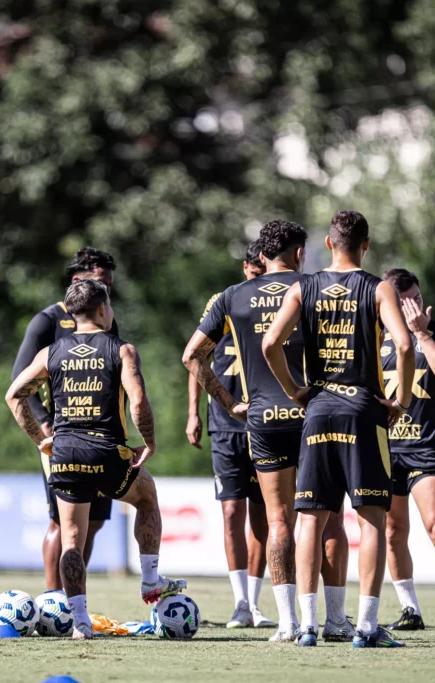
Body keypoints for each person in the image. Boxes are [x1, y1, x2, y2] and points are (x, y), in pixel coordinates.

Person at [263, 210, 414, 648]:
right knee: (372, 520)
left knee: (310, 518)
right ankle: (366, 626)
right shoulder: (378, 288)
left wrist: (295, 391)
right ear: (365, 245)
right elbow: (404, 345)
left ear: (329, 244)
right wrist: (401, 401)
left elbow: (270, 343)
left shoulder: (302, 287)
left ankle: (307, 626)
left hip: (319, 410)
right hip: (363, 411)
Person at [8, 279, 186, 639]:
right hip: (107, 452)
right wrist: (149, 442)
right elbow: (138, 402)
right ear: (103, 309)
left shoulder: (50, 353)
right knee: (147, 498)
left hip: (65, 454)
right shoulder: (122, 350)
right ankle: (151, 580)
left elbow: (14, 395)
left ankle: (80, 623)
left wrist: (42, 440)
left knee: (71, 539)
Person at [9, 248, 119, 593]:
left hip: (100, 437)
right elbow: (18, 380)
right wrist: (44, 422)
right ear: (77, 281)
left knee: (94, 521)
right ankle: (54, 599)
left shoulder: (107, 320)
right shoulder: (47, 321)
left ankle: (75, 594)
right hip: (61, 437)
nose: (106, 289)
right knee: (61, 521)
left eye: (109, 283)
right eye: (99, 281)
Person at [185, 239, 274, 629]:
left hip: (265, 418)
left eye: (263, 274)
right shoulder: (223, 301)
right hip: (224, 421)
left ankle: (254, 602)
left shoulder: (277, 301)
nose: (258, 280)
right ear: (245, 268)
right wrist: (193, 413)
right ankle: (240, 603)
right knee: (231, 510)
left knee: (263, 513)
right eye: (254, 273)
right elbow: (196, 358)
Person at [379, 268, 435, 632]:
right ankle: (409, 609)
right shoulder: (374, 335)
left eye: (417, 298)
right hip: (387, 448)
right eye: (406, 302)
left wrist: (420, 334)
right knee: (392, 530)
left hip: (425, 446)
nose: (414, 306)